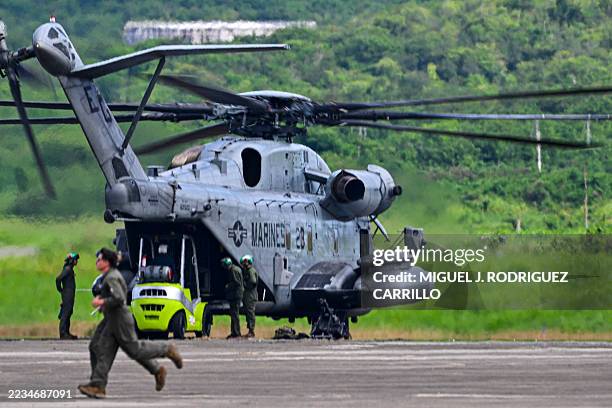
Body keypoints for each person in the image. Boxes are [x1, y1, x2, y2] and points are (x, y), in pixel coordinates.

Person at [78, 248, 183, 399]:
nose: (97, 262)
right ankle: (97, 385)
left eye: (100, 259)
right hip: (111, 318)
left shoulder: (111, 277)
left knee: (134, 349)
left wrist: (101, 301)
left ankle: (166, 349)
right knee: (97, 346)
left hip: (119, 318)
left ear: (107, 262)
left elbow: (120, 298)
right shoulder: (107, 276)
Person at [56, 252, 79, 340]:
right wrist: (60, 289)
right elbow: (58, 279)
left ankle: (66, 332)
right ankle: (63, 333)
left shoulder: (69, 269)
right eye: (75, 260)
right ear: (71, 260)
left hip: (69, 294)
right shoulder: (68, 269)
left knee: (69, 312)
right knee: (65, 313)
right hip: (67, 294)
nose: (76, 261)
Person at [221, 257, 243, 339]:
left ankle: (236, 333)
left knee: (235, 314)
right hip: (235, 295)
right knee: (234, 314)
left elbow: (237, 282)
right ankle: (234, 332)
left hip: (235, 295)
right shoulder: (235, 269)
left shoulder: (233, 270)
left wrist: (228, 286)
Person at [240, 254, 258, 338]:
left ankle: (251, 331)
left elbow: (253, 281)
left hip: (250, 296)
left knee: (250, 313)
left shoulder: (251, 271)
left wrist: (245, 285)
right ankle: (250, 330)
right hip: (248, 295)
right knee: (248, 312)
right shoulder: (248, 271)